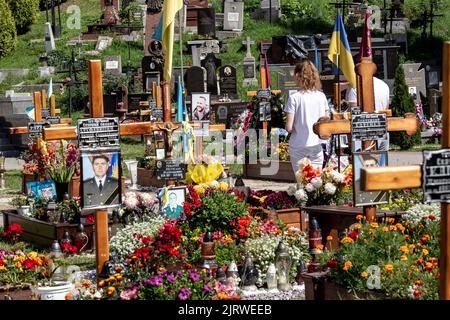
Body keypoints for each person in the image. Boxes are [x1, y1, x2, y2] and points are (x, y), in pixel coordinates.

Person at [284, 60, 329, 173]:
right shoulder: (321, 96)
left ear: (299, 76)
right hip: (317, 144)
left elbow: (289, 127)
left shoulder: (294, 98)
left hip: (299, 144)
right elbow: (325, 123)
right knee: (316, 181)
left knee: (302, 181)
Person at [346, 76, 390, 151]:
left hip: (360, 134)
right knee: (382, 161)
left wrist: (349, 138)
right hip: (381, 130)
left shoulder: (354, 86)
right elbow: (386, 108)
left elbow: (353, 113)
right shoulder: (384, 85)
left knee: (361, 162)